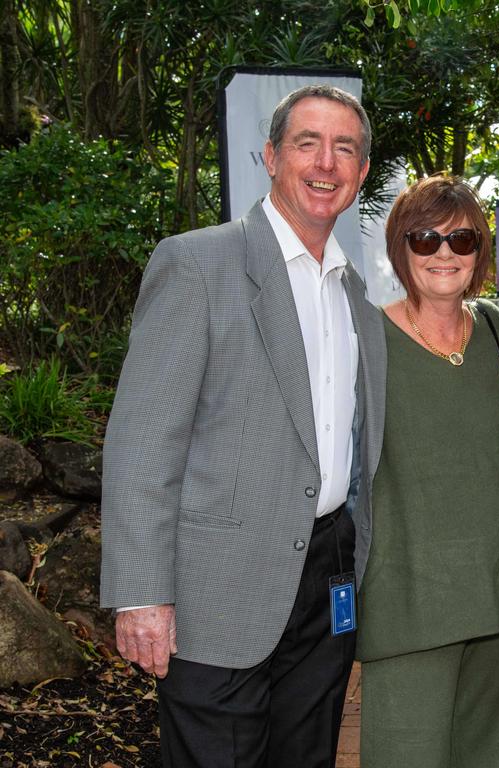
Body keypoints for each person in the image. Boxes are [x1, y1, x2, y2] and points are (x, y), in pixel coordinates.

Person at [100, 85, 386, 768]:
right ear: (270, 156)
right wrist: (141, 593)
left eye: (344, 148)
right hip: (217, 594)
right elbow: (143, 443)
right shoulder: (197, 265)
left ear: (362, 172)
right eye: (307, 143)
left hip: (326, 582)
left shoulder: (355, 295)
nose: (326, 162)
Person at [354, 175, 499, 767]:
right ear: (401, 248)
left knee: (490, 754)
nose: (444, 254)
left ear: (481, 249)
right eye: (426, 240)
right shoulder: (366, 340)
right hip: (410, 596)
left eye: (461, 240)